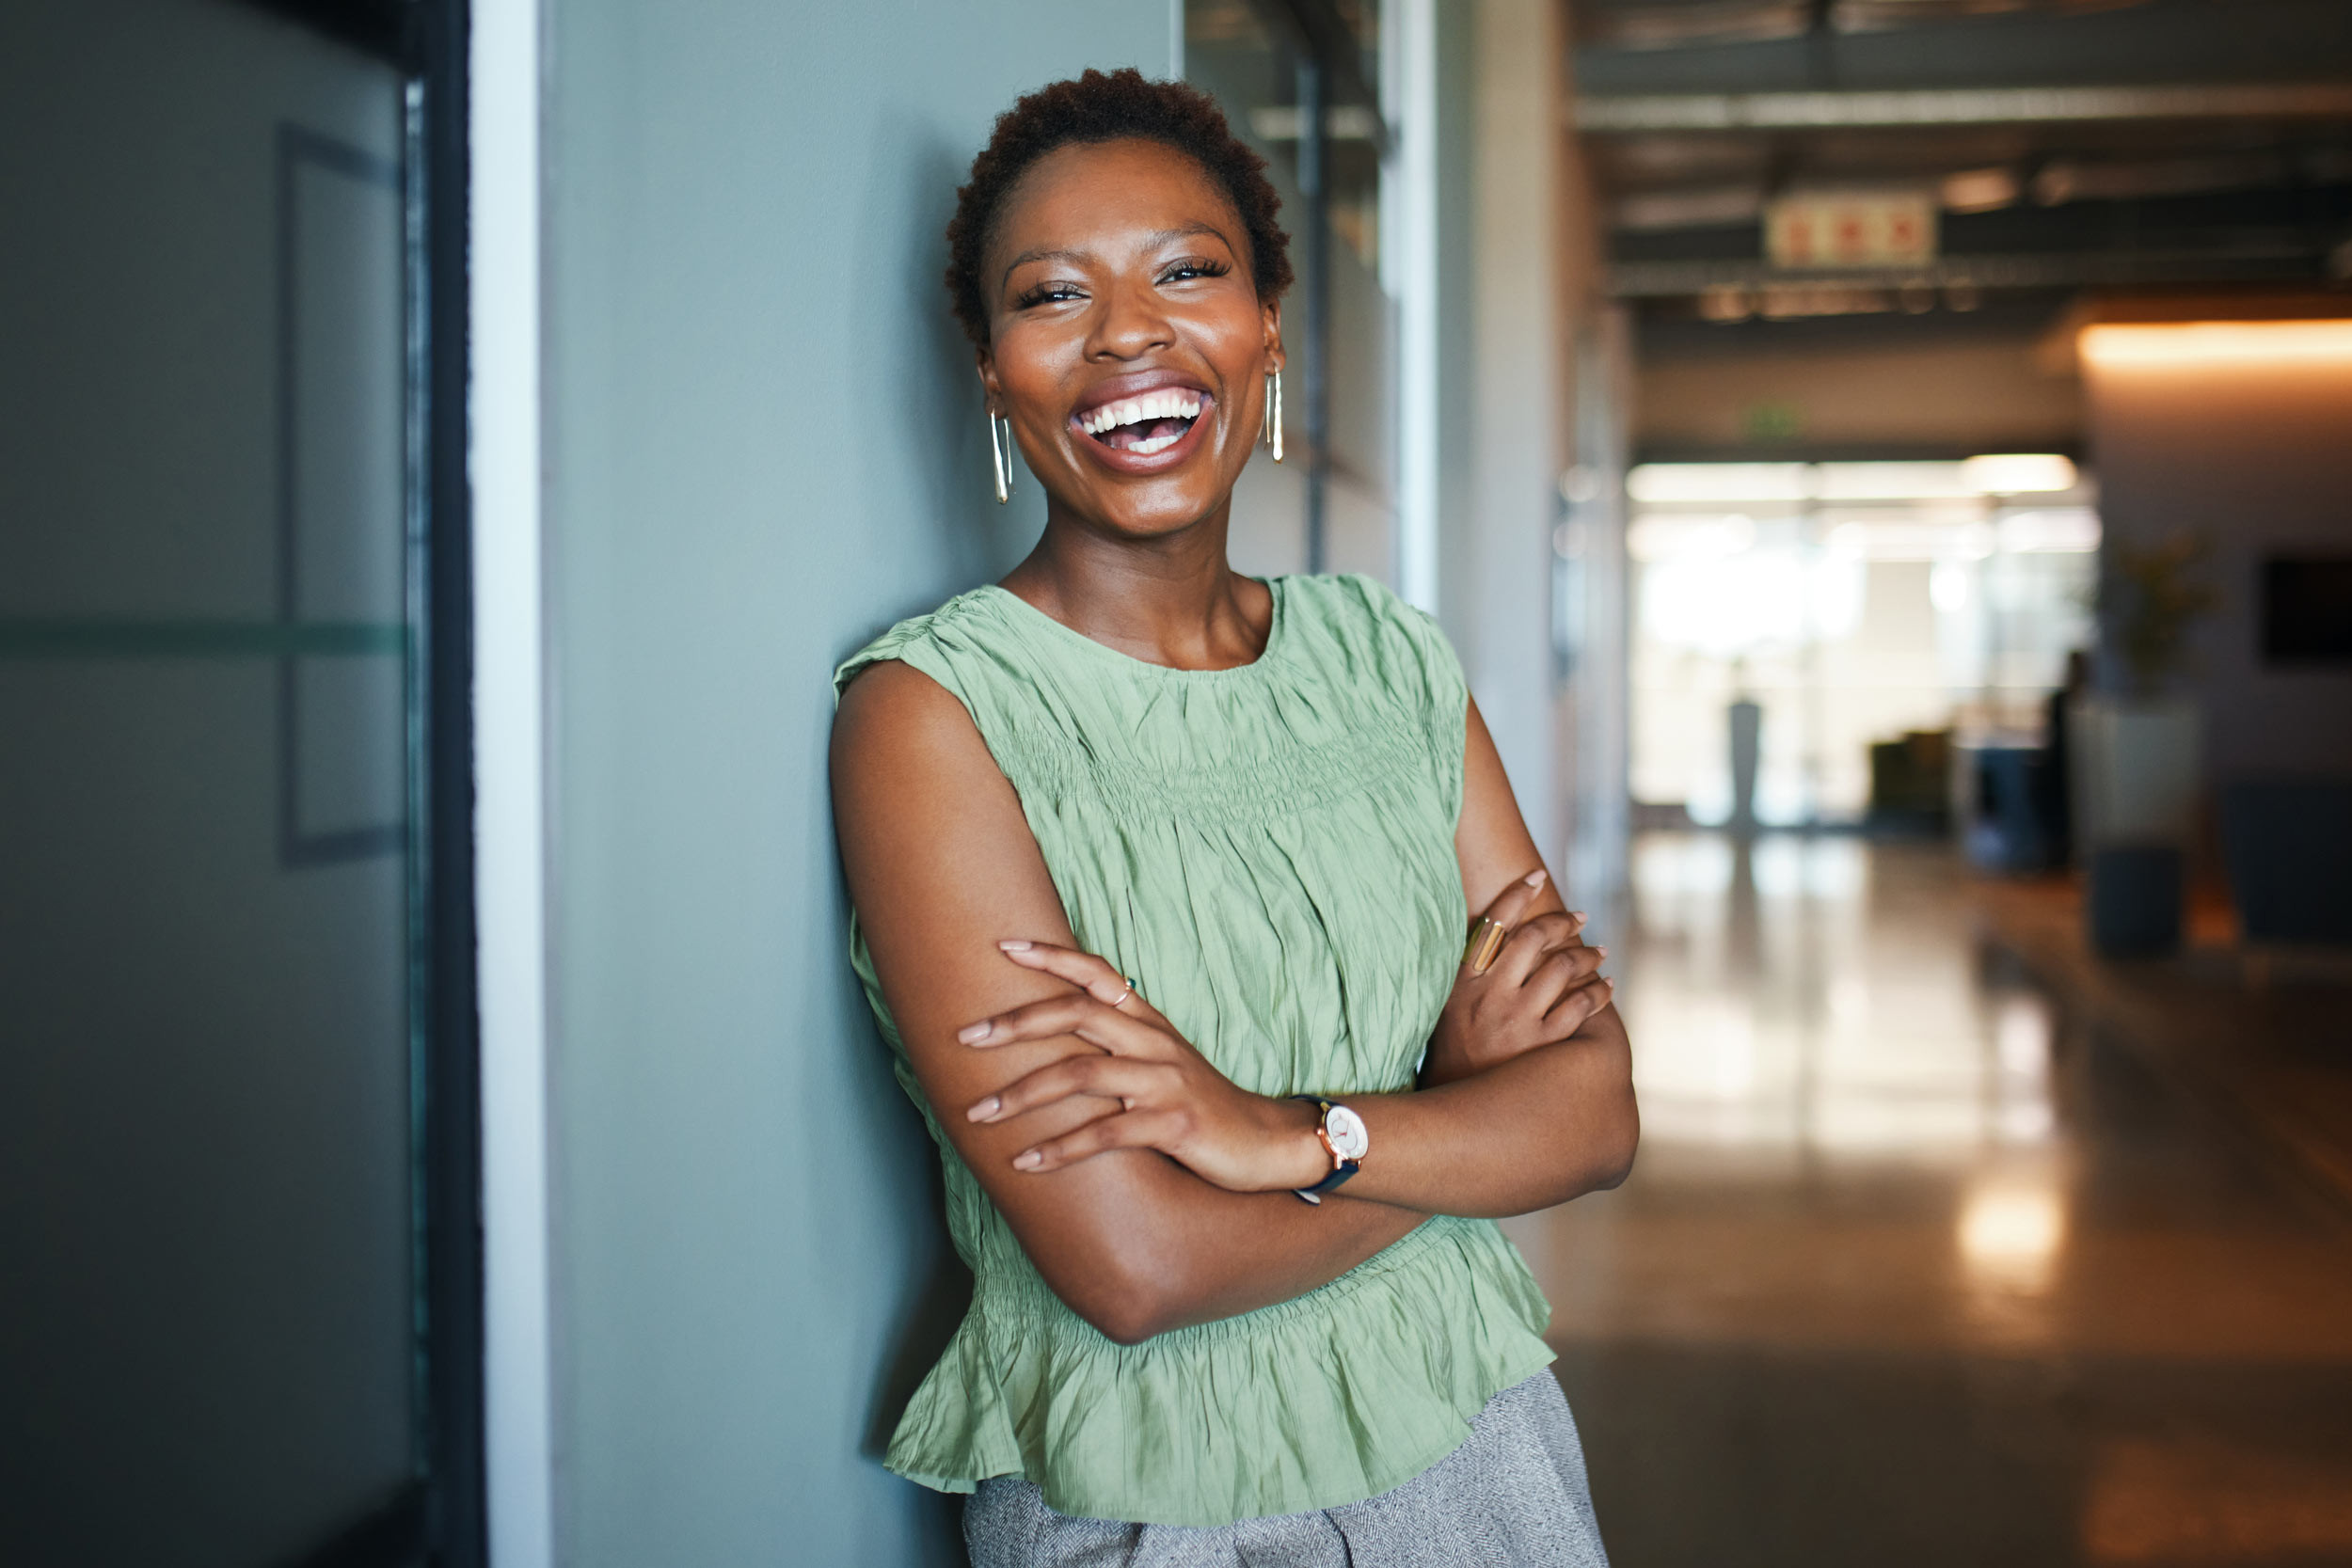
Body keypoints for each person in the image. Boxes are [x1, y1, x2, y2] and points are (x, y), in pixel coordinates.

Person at [830, 69, 1636, 1567]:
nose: (1128, 333)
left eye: (1187, 273)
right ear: (993, 372)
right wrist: (1451, 1116)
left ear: (1269, 328)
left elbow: (1594, 1116)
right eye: (1053, 294)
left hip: (1477, 1441)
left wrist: (1284, 1138)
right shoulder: (934, 716)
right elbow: (1134, 1268)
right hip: (1153, 1504)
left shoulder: (1390, 664)